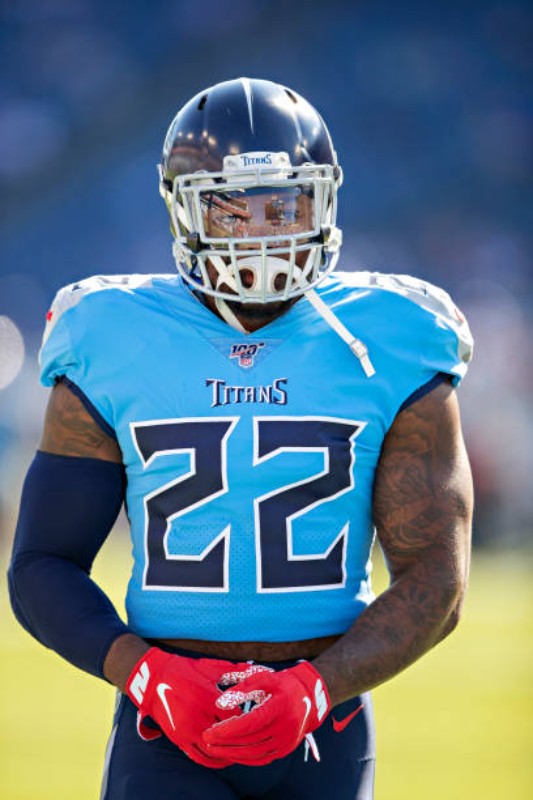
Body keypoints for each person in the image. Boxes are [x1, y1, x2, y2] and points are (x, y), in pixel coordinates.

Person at [8, 77, 474, 800]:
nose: (263, 233)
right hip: (165, 722)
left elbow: (437, 575)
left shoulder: (392, 336)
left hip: (326, 717)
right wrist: (147, 674)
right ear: (183, 210)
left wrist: (316, 688)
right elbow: (42, 564)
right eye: (231, 209)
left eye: (285, 205)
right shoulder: (110, 333)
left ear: (324, 201)